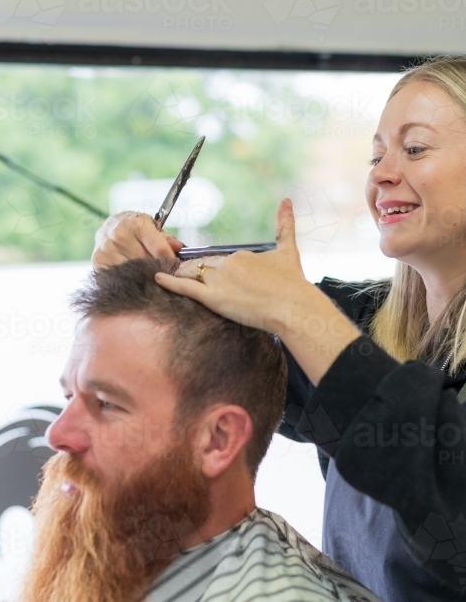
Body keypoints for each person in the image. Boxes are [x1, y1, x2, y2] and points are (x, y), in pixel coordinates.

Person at [92, 57, 466, 602]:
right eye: (377, 155)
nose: (381, 174)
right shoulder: (367, 325)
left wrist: (300, 314)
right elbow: (196, 352)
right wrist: (133, 253)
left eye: (415, 149)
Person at [21, 257, 383, 602]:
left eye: (106, 403)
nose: (58, 433)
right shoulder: (114, 560)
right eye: (69, 396)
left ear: (217, 440)